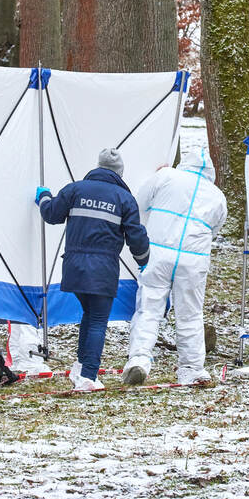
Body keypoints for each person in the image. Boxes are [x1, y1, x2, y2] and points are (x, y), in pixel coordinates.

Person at [36, 148, 150, 390]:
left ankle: (80, 367)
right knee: (98, 320)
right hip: (103, 269)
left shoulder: (75, 189)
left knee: (89, 315)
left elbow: (51, 214)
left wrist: (44, 196)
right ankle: (89, 376)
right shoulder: (124, 199)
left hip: (74, 266)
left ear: (97, 166)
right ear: (120, 172)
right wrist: (144, 260)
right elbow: (135, 236)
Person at [124, 147, 228, 386]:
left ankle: (139, 359)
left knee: (149, 309)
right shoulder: (216, 195)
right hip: (194, 259)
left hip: (158, 253)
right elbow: (215, 228)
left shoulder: (167, 176)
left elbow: (139, 202)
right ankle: (192, 369)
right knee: (190, 313)